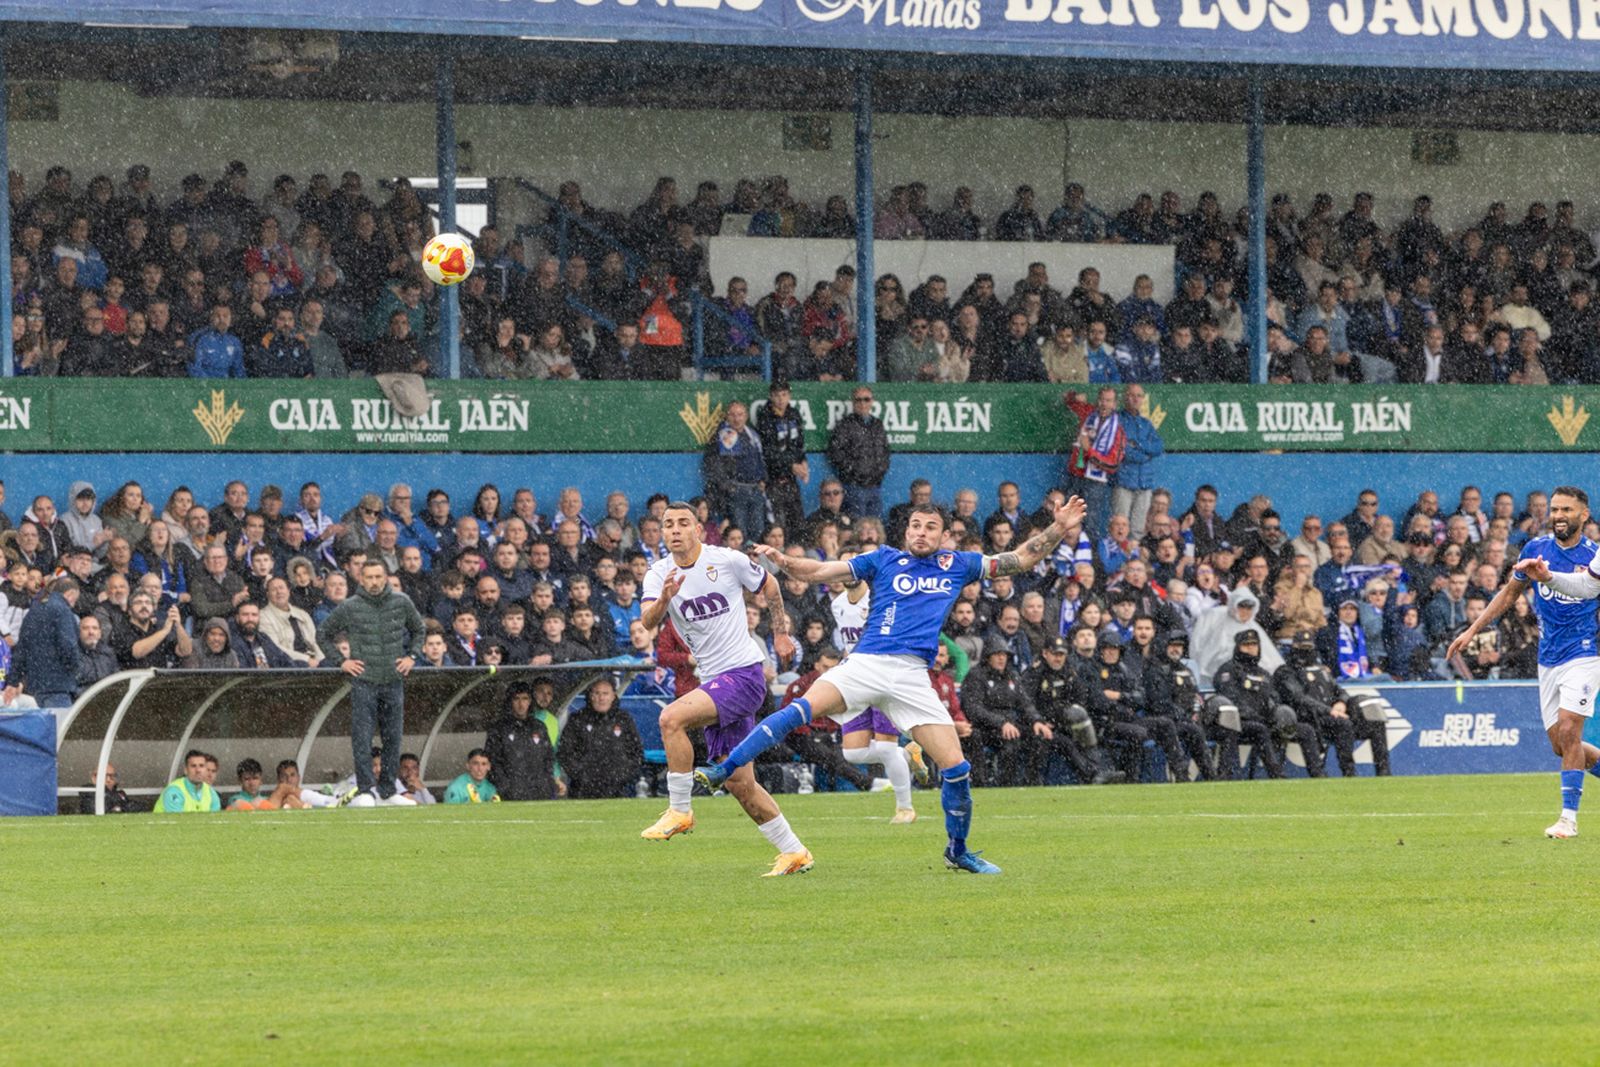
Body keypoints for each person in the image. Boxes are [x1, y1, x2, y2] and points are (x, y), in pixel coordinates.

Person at [700, 494, 1088, 875]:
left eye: (930, 527)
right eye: (915, 526)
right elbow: (819, 572)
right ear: (906, 530)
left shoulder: (958, 564)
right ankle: (724, 770)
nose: (921, 533)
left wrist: (1058, 527)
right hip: (866, 663)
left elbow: (1019, 559)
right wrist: (784, 562)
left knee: (956, 767)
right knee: (798, 710)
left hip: (912, 676)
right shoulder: (884, 558)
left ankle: (959, 851)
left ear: (943, 536)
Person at [636, 501, 811, 877]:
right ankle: (794, 851)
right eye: (669, 525)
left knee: (671, 718)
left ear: (698, 529)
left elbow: (771, 584)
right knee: (740, 783)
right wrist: (666, 598)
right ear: (662, 533)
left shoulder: (726, 560)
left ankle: (680, 810)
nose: (676, 530)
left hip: (744, 674)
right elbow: (648, 621)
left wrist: (780, 633)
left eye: (684, 523)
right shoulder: (658, 574)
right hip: (714, 680)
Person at [1476, 486, 1600, 838]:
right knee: (1561, 745)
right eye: (1556, 509)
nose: (1559, 515)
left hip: (1586, 652)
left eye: (1567, 510)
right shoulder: (1535, 549)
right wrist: (1472, 631)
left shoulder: (1594, 556)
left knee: (1570, 729)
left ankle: (1568, 819)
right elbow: (1509, 594)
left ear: (1584, 516)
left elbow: (1587, 590)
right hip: (1549, 658)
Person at [316, 559, 427, 807]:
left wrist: (412, 656)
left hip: (393, 679)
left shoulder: (402, 602)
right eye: (369, 577)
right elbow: (322, 633)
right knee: (362, 738)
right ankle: (366, 789)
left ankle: (388, 790)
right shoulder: (350, 606)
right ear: (361, 579)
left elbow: (419, 629)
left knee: (393, 737)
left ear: (385, 577)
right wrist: (340, 661)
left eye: (378, 577)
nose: (374, 582)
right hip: (364, 681)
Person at [830, 551, 927, 820]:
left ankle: (905, 807)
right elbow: (847, 644)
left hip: (880, 676)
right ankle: (906, 754)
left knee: (884, 749)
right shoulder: (837, 605)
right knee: (853, 753)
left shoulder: (879, 600)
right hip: (854, 679)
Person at [1275, 630, 1392, 778]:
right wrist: (1328, 710)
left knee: (1375, 723)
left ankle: (1384, 773)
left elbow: (1340, 690)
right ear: (1294, 648)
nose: (1306, 652)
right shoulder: (1286, 671)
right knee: (1343, 724)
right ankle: (1348, 772)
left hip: (1334, 716)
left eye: (1309, 648)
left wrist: (1341, 702)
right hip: (1310, 718)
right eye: (1302, 648)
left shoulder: (1322, 670)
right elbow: (1299, 698)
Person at [558, 678, 643, 799]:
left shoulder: (623, 719)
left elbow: (636, 752)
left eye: (605, 693)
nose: (601, 698)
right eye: (597, 693)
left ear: (613, 696)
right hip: (582, 790)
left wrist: (622, 775)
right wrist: (581, 775)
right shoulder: (577, 719)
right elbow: (565, 753)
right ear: (590, 696)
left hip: (617, 789)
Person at [10, 576, 81, 707]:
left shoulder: (34, 611)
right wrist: (76, 668)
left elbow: (21, 649)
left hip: (35, 687)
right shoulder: (63, 611)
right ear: (71, 593)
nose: (73, 605)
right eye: (74, 601)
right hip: (58, 685)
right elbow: (68, 646)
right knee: (59, 726)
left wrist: (13, 681)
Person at [484, 684, 559, 801]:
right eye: (516, 699)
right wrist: (505, 786)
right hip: (511, 794)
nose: (521, 704)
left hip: (539, 792)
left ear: (530, 701)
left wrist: (547, 783)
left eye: (525, 699)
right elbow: (492, 761)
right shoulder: (499, 728)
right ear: (510, 701)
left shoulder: (539, 727)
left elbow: (548, 758)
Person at [826, 386, 891, 519]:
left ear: (872, 401)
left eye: (866, 399)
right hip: (854, 487)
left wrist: (880, 472)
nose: (862, 403)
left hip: (875, 486)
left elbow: (885, 451)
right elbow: (835, 452)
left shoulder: (877, 424)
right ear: (853, 402)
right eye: (858, 400)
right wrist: (853, 472)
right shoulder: (845, 425)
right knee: (856, 529)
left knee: (875, 529)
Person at [153, 749, 221, 812]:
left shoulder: (211, 793)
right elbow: (177, 822)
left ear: (206, 769)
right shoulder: (174, 791)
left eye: (201, 766)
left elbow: (215, 821)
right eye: (193, 766)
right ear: (185, 770)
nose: (198, 770)